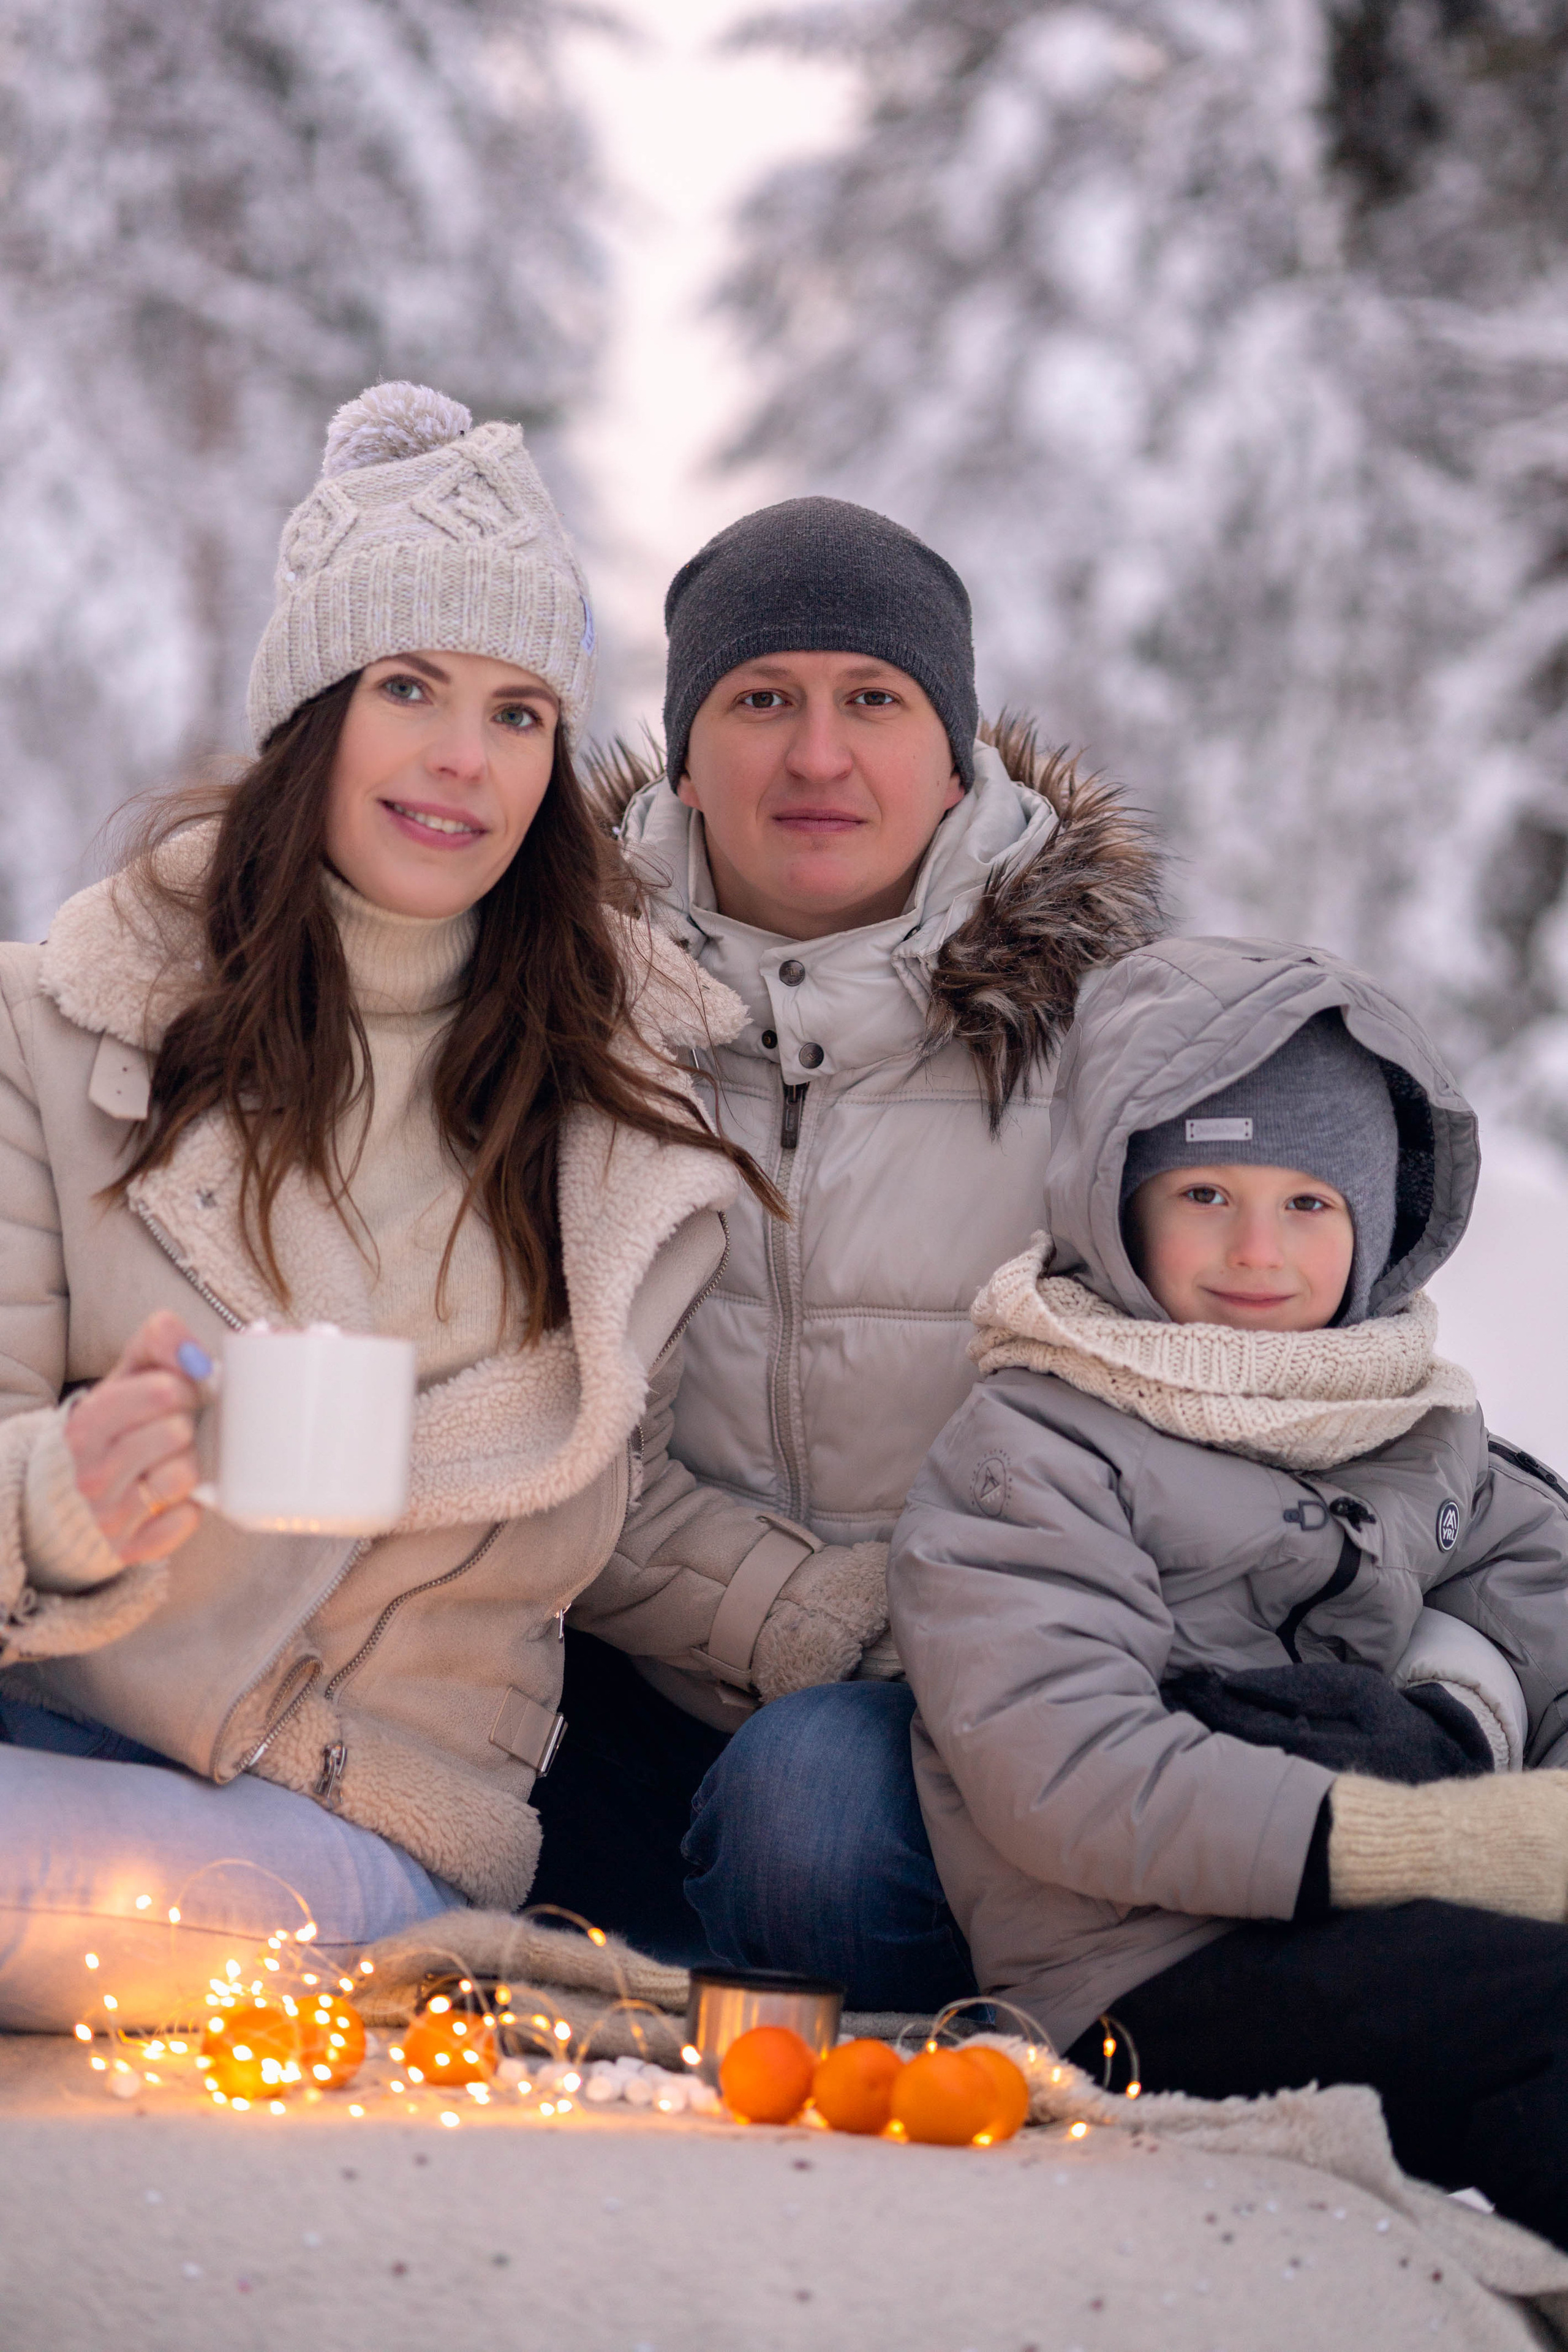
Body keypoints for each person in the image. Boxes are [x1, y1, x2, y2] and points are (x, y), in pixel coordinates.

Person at [0, 385, 886, 2029]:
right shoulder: (58, 1032)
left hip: (355, 1810)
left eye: (518, 711)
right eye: (410, 687)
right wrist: (63, 1493)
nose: (462, 762)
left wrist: (873, 1624)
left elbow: (621, 1513)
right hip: (53, 1711)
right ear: (313, 710)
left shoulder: (623, 1117)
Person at [529, 496, 1161, 2003]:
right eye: (761, 701)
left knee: (806, 1805)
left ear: (953, 760)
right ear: (685, 755)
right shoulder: (545, 1012)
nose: (817, 757)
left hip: (940, 1715)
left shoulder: (1111, 1044)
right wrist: (813, 1620)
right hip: (615, 1676)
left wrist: (932, 1648)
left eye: (871, 700)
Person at [889, 934, 1568, 2249]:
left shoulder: (1412, 1427)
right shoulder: (1039, 1442)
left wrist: (1471, 1726)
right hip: (1140, 1970)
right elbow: (1063, 1768)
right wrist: (1413, 1837)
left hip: (1387, 1926)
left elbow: (1542, 1605)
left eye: (1308, 1203)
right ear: (1118, 1201)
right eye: (1205, 1191)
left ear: (1375, 1226)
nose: (1256, 1248)